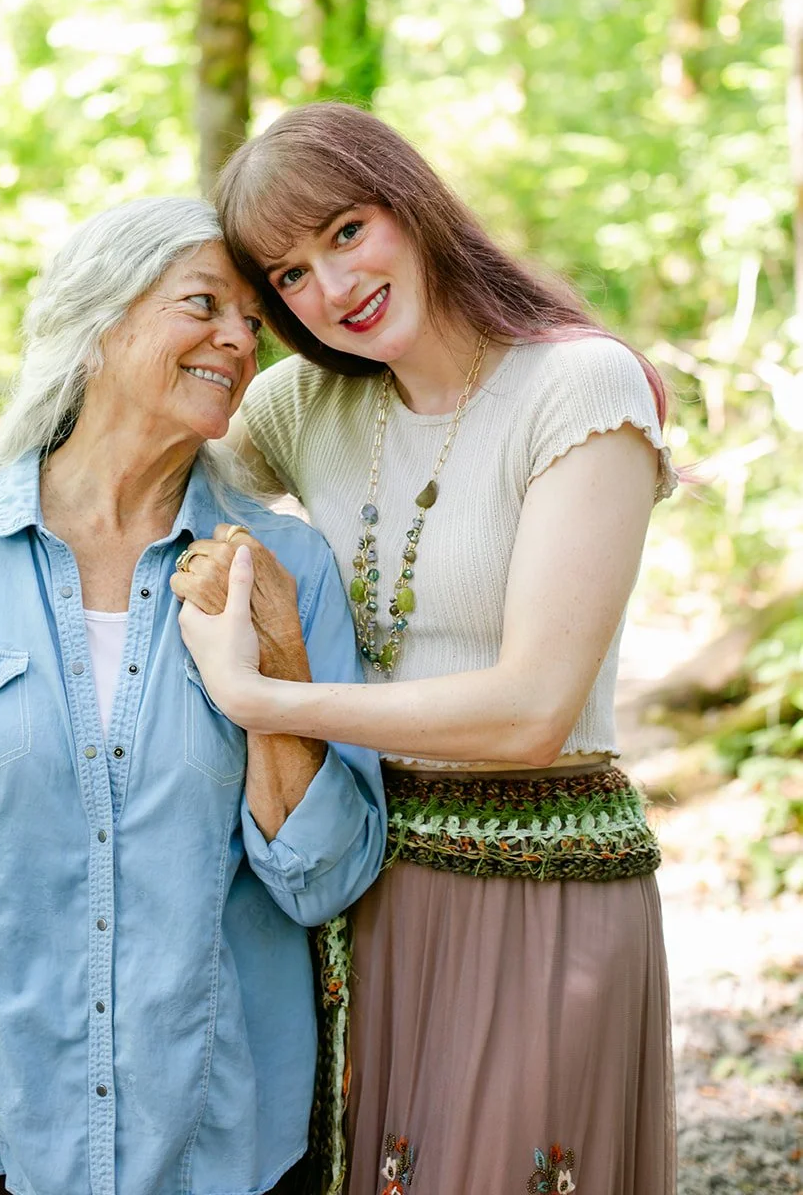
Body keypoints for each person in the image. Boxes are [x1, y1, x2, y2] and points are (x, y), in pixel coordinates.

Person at [0, 197, 386, 1195]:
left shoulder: (285, 568)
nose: (238, 338)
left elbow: (322, 880)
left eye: (252, 321)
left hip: (213, 1130)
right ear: (97, 319)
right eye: (203, 304)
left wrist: (273, 665)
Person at [171, 104, 677, 1195]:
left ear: (410, 201)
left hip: (542, 887)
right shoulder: (304, 403)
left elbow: (530, 709)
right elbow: (124, 475)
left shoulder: (579, 386)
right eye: (289, 274)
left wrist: (264, 700)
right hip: (364, 883)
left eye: (346, 231)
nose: (333, 286)